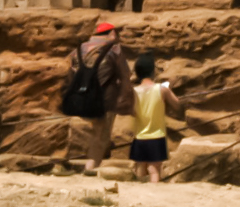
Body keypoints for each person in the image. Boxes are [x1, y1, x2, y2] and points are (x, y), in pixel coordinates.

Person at [63, 22, 131, 173]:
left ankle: (88, 165)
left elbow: (69, 75)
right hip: (105, 99)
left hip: (81, 98)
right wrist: (125, 97)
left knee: (93, 133)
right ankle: (91, 167)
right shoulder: (114, 48)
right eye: (116, 34)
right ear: (112, 33)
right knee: (101, 134)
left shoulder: (78, 49)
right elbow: (125, 75)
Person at [126, 53, 183, 184]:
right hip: (157, 136)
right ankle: (153, 195)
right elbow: (177, 105)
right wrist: (168, 89)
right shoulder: (162, 89)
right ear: (153, 71)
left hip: (139, 137)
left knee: (140, 169)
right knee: (154, 170)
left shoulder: (134, 91)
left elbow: (133, 112)